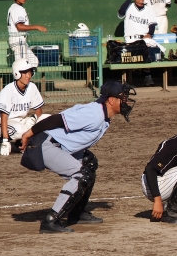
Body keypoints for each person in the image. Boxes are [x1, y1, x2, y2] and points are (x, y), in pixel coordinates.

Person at [18, 80, 136, 233]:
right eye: (123, 98)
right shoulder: (93, 114)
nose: (127, 102)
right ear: (112, 100)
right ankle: (51, 220)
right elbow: (55, 119)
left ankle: (76, 213)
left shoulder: (103, 115)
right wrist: (28, 134)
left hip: (58, 145)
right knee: (81, 175)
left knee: (89, 163)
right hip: (44, 145)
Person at [0, 58, 50, 155]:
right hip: (2, 122)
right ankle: (0, 141)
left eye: (30, 72)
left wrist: (35, 120)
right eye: (25, 72)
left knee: (48, 119)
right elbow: (4, 116)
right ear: (16, 73)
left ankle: (20, 143)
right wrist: (5, 140)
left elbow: (39, 110)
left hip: (22, 121)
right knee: (21, 130)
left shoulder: (32, 87)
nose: (28, 75)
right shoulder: (8, 90)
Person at [118, 0, 165, 87]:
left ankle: (147, 77)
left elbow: (152, 25)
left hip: (143, 39)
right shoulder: (129, 6)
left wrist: (149, 34)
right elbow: (121, 12)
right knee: (129, 56)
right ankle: (128, 81)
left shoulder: (149, 9)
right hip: (130, 39)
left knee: (151, 51)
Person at [8, 0, 47, 67]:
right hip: (18, 40)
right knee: (22, 66)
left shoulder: (16, 7)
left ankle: (28, 76)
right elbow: (19, 26)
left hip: (21, 41)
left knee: (33, 61)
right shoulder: (17, 8)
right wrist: (37, 27)